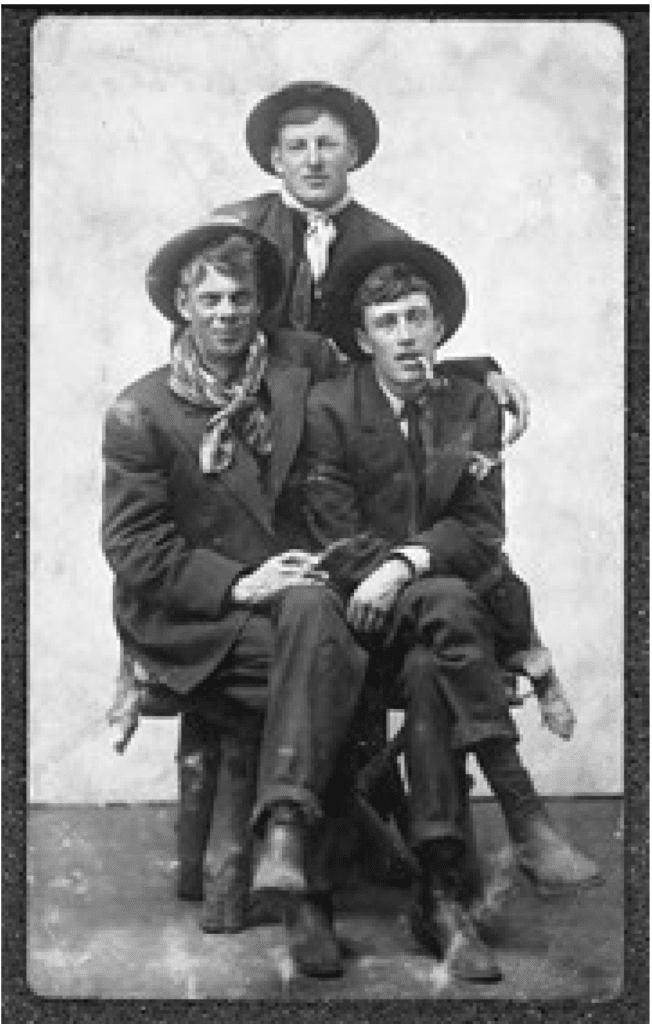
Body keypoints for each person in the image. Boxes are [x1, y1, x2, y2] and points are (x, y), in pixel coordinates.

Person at [302, 238, 603, 982]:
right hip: (351, 614)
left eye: (417, 318)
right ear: (362, 336)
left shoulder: (471, 407)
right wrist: (397, 568)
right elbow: (334, 536)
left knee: (436, 660)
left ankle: (439, 894)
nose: (405, 335)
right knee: (447, 602)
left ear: (440, 328)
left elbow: (481, 530)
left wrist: (408, 562)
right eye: (387, 322)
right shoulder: (328, 408)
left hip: (436, 620)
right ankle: (521, 812)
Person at [102, 219, 367, 976]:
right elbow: (133, 548)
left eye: (242, 297)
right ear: (182, 303)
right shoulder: (141, 411)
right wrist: (240, 583)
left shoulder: (303, 362)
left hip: (294, 594)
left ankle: (283, 831)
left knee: (315, 615)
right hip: (195, 616)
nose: (227, 313)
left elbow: (382, 375)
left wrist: (485, 371)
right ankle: (304, 881)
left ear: (262, 301)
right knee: (327, 650)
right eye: (211, 298)